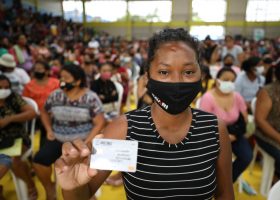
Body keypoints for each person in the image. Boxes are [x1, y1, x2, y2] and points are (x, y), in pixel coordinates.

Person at [55, 28, 234, 200]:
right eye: (164, 72)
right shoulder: (124, 130)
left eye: (188, 72)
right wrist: (73, 186)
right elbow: (84, 193)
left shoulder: (214, 129)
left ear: (200, 75)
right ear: (147, 77)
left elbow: (225, 194)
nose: (177, 82)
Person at [32, 64, 106, 200]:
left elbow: (100, 122)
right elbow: (44, 112)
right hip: (58, 138)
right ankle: (50, 189)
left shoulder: (90, 98)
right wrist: (49, 129)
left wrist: (88, 141)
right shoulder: (55, 95)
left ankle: (87, 193)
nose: (62, 80)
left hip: (82, 141)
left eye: (66, 78)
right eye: (61, 77)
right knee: (38, 161)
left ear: (77, 81)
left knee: (83, 167)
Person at [199, 67, 252, 182]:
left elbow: (245, 119)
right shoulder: (208, 98)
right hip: (213, 135)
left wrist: (234, 135)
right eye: (226, 79)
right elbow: (204, 125)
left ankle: (226, 181)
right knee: (217, 160)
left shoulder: (237, 96)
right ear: (217, 80)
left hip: (234, 132)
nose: (229, 83)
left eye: (232, 81)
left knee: (246, 157)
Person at [0, 75, 37, 200]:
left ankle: (31, 186)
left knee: (15, 161)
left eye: (6, 87)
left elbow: (32, 112)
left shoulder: (13, 98)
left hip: (16, 138)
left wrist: (10, 119)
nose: (3, 90)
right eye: (0, 87)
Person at [23, 61, 60, 145]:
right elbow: (26, 103)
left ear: (47, 71)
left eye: (39, 69)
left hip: (54, 115)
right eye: (35, 69)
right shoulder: (29, 85)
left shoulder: (56, 83)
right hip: (36, 117)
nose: (37, 71)